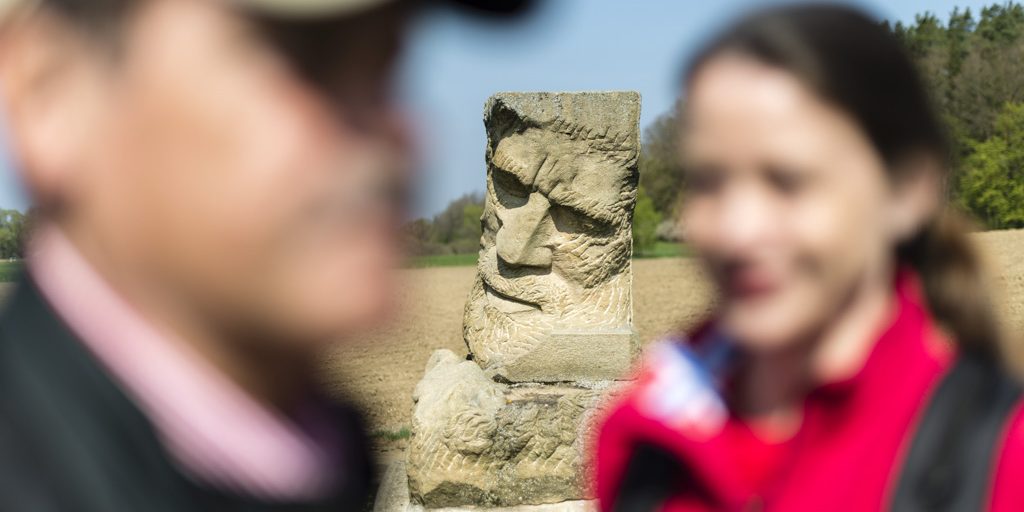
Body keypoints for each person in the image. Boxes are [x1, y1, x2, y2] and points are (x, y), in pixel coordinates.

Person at [0, 0, 527, 510]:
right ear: (50, 89)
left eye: (386, 61)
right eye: (305, 57)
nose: (404, 136)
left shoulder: (303, 460)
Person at [595, 5, 1024, 511]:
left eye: (788, 180)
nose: (739, 231)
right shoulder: (644, 434)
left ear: (908, 190)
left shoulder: (997, 452)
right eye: (708, 181)